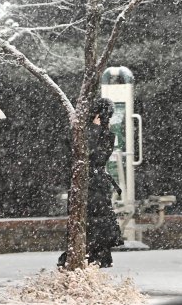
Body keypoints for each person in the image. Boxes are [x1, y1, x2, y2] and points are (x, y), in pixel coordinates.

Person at [58, 97, 124, 268]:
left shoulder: (101, 132)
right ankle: (85, 259)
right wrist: (95, 130)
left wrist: (102, 131)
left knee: (98, 224)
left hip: (97, 185)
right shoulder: (83, 132)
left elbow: (101, 156)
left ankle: (93, 258)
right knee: (90, 224)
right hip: (88, 185)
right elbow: (84, 154)